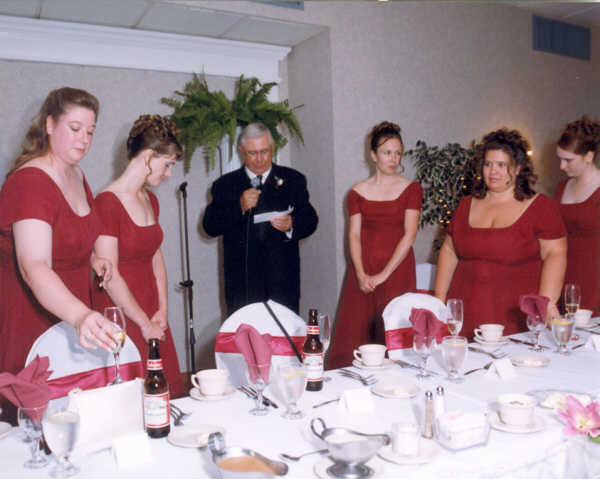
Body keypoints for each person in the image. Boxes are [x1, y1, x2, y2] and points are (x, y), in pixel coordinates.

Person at [0, 87, 118, 421]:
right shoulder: (30, 181)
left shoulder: (77, 174)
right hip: (33, 313)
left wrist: (92, 259)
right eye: (75, 128)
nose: (84, 140)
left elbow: (68, 237)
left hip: (71, 310)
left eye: (90, 131)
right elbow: (34, 265)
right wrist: (80, 316)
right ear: (49, 125)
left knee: (75, 414)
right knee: (35, 419)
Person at [434, 128, 567, 338]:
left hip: (515, 317)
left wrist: (547, 304)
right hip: (464, 314)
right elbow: (449, 251)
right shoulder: (466, 204)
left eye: (501, 165)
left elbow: (555, 254)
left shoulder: (542, 207)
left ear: (518, 168)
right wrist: (439, 300)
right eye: (488, 164)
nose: (493, 172)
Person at [92, 114, 185, 398]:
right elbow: (110, 277)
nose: (169, 174)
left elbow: (156, 259)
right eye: (167, 164)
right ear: (148, 157)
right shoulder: (107, 203)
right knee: (134, 394)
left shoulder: (150, 199)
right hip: (122, 311)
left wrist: (162, 310)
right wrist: (144, 323)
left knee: (165, 389)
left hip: (151, 309)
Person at [328, 122, 422, 369]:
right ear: (373, 155)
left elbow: (409, 235)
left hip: (397, 271)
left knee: (393, 334)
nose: (393, 159)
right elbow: (354, 235)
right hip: (363, 272)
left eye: (398, 153)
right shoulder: (356, 192)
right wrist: (360, 274)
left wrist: (383, 275)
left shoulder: (412, 189)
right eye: (387, 152)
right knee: (356, 333)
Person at [203, 122, 318, 316]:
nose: (259, 159)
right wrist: (239, 206)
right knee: (244, 334)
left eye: (264, 152)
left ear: (272, 148)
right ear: (241, 151)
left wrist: (291, 224)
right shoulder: (225, 185)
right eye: (252, 153)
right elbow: (209, 226)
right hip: (242, 284)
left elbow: (310, 219)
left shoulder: (293, 179)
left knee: (282, 334)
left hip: (282, 281)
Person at [555, 116, 600, 315]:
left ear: (589, 156)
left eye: (568, 160)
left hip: (594, 276)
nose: (561, 166)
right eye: (560, 159)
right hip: (564, 273)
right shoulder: (562, 187)